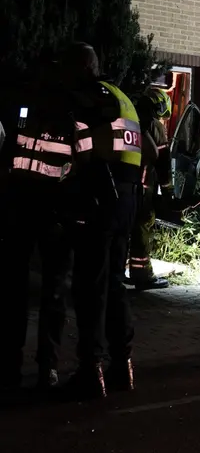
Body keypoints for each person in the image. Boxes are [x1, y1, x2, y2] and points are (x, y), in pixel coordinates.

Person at [58, 42, 157, 399]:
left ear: (83, 67)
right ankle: (122, 367)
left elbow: (79, 151)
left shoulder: (86, 97)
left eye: (68, 67)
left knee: (90, 287)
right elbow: (149, 150)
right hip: (126, 199)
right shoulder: (122, 97)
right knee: (114, 284)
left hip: (99, 196)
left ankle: (90, 372)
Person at [0, 68, 75, 394]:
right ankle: (46, 367)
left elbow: (7, 164)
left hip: (24, 213)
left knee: (16, 292)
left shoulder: (22, 115)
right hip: (51, 216)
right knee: (52, 293)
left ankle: (12, 367)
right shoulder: (70, 119)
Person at [127, 86, 173, 290]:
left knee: (122, 228)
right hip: (144, 186)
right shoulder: (154, 125)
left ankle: (116, 273)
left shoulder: (128, 119)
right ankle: (142, 275)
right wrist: (168, 189)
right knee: (142, 228)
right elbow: (162, 160)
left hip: (123, 183)